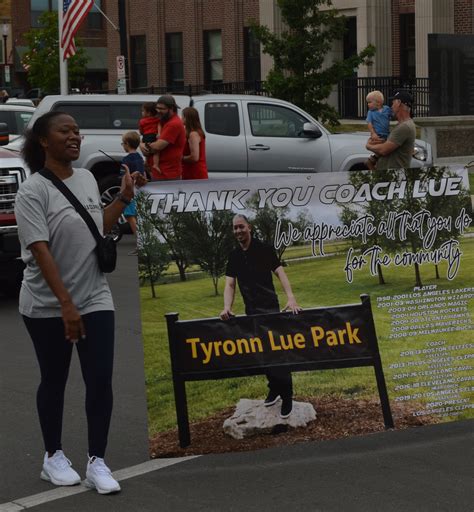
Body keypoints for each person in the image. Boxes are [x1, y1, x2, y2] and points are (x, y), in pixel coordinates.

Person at [14, 111, 139, 495]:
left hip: (95, 295)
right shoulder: (32, 191)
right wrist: (66, 305)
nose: (75, 136)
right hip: (47, 304)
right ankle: (53, 456)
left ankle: (97, 461)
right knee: (54, 380)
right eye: (65, 131)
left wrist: (123, 197)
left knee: (100, 379)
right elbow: (41, 249)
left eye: (77, 131)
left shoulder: (85, 178)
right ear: (43, 141)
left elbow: (97, 225)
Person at [220, 214, 302, 419]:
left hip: (271, 310)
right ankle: (274, 389)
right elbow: (230, 284)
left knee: (278, 353)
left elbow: (280, 273)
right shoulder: (234, 256)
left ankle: (287, 396)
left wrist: (291, 298)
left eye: (241, 227)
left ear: (250, 228)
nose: (238, 231)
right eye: (235, 228)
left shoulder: (264, 249)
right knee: (262, 354)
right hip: (251, 313)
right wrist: (226, 307)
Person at [366, 89, 416, 170]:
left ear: (399, 103)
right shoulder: (400, 125)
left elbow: (384, 150)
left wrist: (368, 146)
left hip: (394, 177)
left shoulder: (405, 127)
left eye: (393, 103)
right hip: (388, 176)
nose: (391, 106)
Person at [141, 95, 186, 180]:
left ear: (171, 108)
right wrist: (141, 144)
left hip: (167, 174)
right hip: (160, 172)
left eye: (162, 109)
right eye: (157, 108)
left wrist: (143, 145)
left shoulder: (173, 124)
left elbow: (157, 146)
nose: (158, 111)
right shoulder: (164, 121)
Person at [120, 131, 145, 256]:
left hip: (130, 191)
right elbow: (142, 174)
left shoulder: (126, 160)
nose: (122, 146)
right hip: (139, 190)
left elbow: (124, 178)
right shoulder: (140, 158)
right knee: (138, 216)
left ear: (127, 144)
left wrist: (122, 193)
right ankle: (143, 241)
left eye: (122, 143)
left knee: (130, 216)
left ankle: (140, 243)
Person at [364, 90, 392, 170]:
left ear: (378, 102)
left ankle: (372, 161)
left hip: (386, 134)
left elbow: (393, 115)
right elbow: (369, 123)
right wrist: (373, 133)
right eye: (367, 102)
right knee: (383, 149)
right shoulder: (370, 112)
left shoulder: (386, 109)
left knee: (386, 149)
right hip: (377, 134)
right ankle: (372, 162)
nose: (368, 104)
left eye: (369, 102)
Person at [181, 106, 208, 180]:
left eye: (183, 117)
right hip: (190, 172)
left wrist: (181, 158)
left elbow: (195, 157)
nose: (181, 119)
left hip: (195, 173)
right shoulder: (193, 133)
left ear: (188, 118)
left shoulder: (193, 134)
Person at [138, 102, 160, 176]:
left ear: (149, 113)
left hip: (146, 137)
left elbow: (141, 132)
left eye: (143, 111)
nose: (142, 112)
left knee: (147, 150)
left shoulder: (142, 121)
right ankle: (156, 164)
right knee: (156, 152)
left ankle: (146, 162)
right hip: (153, 136)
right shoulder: (157, 120)